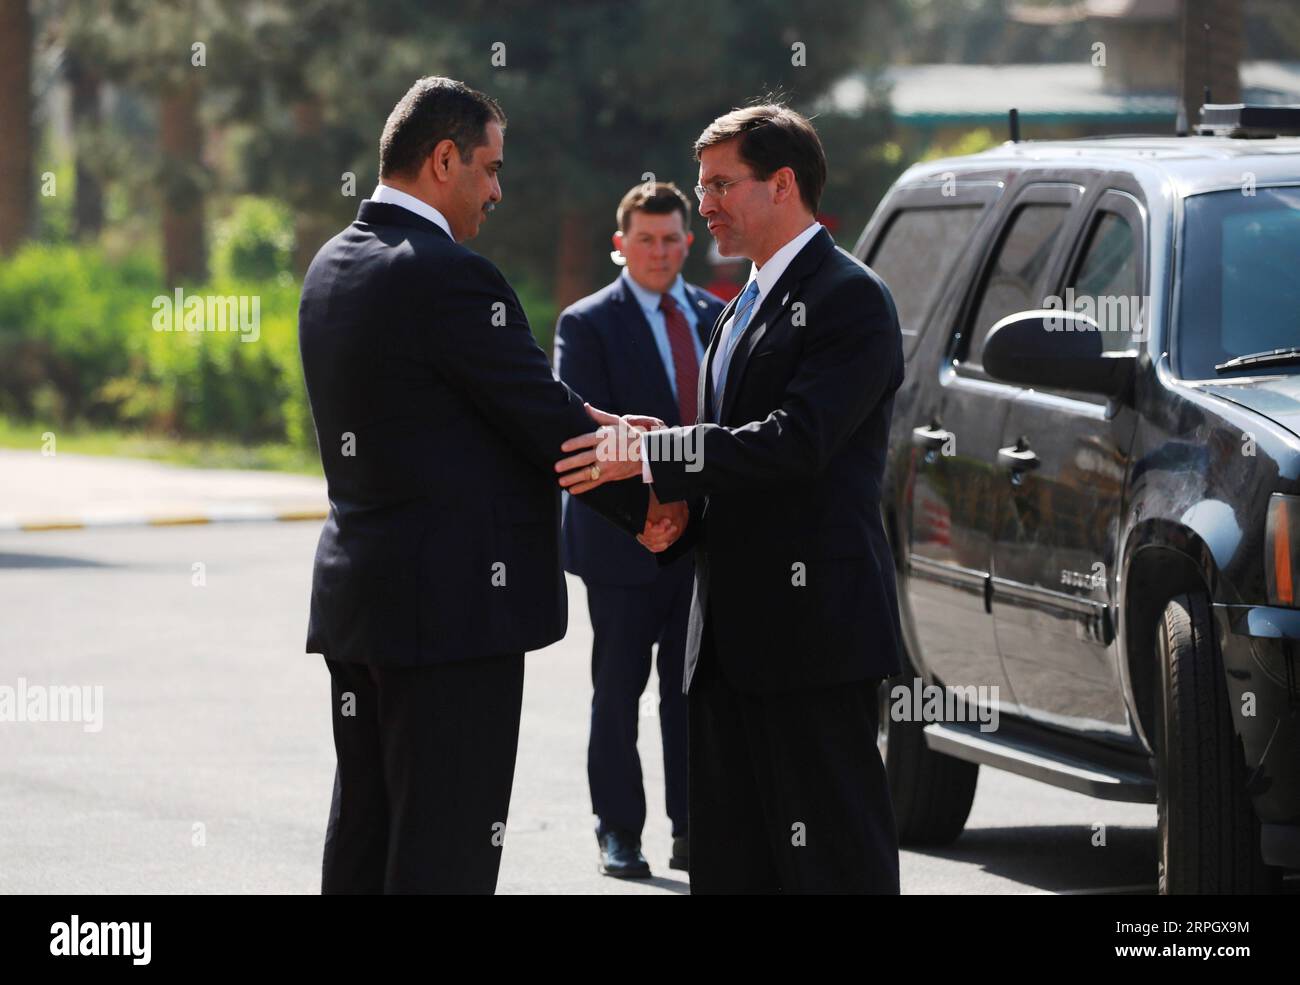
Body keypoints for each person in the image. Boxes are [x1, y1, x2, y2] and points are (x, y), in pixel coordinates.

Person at [298, 76, 679, 894]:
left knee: (363, 833)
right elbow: (542, 417)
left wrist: (607, 427)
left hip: (362, 607)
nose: (499, 190)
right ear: (443, 160)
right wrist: (650, 493)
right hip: (452, 617)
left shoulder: (332, 264)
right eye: (490, 168)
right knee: (445, 852)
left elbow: (500, 405)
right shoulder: (447, 274)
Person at [556, 103, 906, 894]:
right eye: (700, 183)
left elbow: (796, 441)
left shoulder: (851, 297)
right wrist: (668, 516)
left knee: (832, 867)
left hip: (815, 640)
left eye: (720, 184)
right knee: (735, 866)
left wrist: (653, 452)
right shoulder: (738, 306)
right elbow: (730, 464)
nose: (702, 202)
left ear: (782, 184)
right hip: (722, 645)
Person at [554, 182, 724, 878]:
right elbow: (582, 437)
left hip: (699, 542)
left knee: (691, 692)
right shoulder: (586, 323)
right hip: (621, 539)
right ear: (621, 245)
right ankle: (619, 832)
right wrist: (649, 514)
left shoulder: (720, 315)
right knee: (618, 687)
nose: (659, 251)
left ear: (688, 242)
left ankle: (695, 829)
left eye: (671, 238)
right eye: (645, 240)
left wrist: (687, 515)